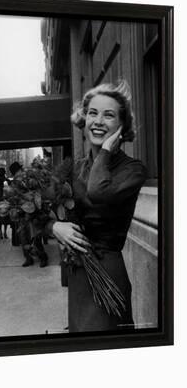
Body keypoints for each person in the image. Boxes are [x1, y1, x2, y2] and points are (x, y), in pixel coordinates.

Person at [48, 80, 147, 332]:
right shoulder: (73, 168)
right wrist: (55, 228)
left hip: (108, 270)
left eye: (109, 115)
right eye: (92, 113)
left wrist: (104, 152)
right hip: (79, 273)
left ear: (121, 127)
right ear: (84, 120)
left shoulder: (133, 170)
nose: (98, 121)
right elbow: (44, 214)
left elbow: (98, 191)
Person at [8, 162, 49, 268]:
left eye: (19, 171)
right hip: (22, 216)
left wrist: (33, 199)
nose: (20, 174)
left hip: (35, 215)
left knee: (36, 238)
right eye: (17, 173)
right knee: (23, 239)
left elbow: (38, 191)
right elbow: (12, 198)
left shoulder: (30, 179)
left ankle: (43, 257)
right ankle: (28, 258)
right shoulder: (13, 184)